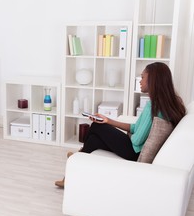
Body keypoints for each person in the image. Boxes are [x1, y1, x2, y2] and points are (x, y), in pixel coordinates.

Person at [55, 62, 186, 188]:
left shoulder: (154, 107)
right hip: (134, 149)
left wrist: (119, 135)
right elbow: (134, 128)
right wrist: (108, 121)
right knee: (94, 140)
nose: (140, 81)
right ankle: (74, 168)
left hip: (133, 152)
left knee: (96, 126)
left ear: (153, 80)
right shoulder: (163, 104)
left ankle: (77, 158)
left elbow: (137, 139)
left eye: (142, 77)